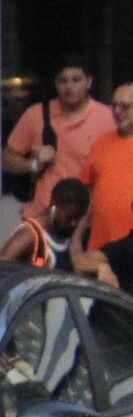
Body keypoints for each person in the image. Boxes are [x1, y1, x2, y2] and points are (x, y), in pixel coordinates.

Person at [3, 57, 110, 229]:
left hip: (87, 219)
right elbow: (7, 159)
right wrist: (34, 164)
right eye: (63, 80)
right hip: (42, 216)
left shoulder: (107, 118)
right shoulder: (36, 115)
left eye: (76, 80)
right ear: (55, 83)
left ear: (88, 82)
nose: (69, 87)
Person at [80, 84, 133, 288]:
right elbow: (88, 196)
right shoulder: (102, 143)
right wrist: (77, 237)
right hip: (100, 252)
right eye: (115, 106)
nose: (118, 112)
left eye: (125, 106)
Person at [0, 177, 94, 273]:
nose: (74, 224)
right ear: (54, 205)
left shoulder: (66, 234)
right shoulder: (30, 235)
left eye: (78, 218)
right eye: (69, 218)